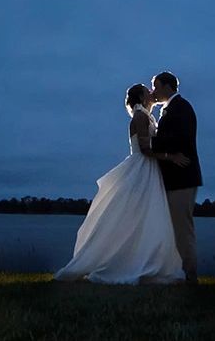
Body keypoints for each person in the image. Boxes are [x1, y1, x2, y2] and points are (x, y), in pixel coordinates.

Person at [53, 83, 189, 284]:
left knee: (144, 217)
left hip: (148, 169)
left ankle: (140, 258)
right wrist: (171, 157)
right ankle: (126, 262)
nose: (151, 93)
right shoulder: (140, 116)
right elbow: (144, 148)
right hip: (142, 168)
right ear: (142, 99)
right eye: (147, 92)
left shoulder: (144, 115)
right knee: (138, 216)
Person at [149, 71, 203, 284]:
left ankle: (190, 277)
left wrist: (149, 144)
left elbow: (179, 138)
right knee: (175, 229)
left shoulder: (181, 108)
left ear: (167, 87)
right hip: (175, 179)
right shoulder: (170, 109)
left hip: (183, 178)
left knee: (182, 229)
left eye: (155, 86)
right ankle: (178, 273)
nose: (153, 91)